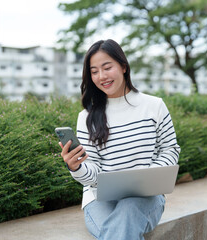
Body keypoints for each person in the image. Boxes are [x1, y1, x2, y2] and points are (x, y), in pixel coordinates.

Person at [59, 39, 181, 240]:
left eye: (107, 68)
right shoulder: (87, 118)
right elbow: (93, 171)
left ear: (123, 67)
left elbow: (170, 150)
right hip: (99, 200)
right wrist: (77, 168)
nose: (102, 76)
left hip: (146, 198)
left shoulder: (154, 106)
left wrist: (148, 176)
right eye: (94, 71)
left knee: (127, 212)